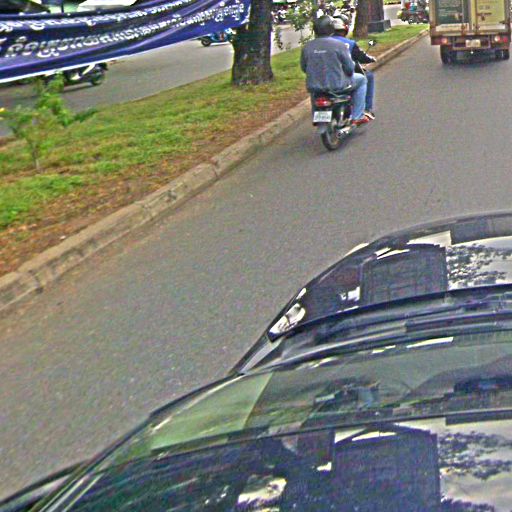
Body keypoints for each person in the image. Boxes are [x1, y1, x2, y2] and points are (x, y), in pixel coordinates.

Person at [300, 15, 370, 126]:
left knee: (315, 92)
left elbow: (304, 67)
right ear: (330, 29)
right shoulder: (339, 45)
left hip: (315, 85)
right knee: (362, 80)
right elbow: (349, 67)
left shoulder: (307, 47)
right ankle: (358, 116)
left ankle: (316, 116)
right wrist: (348, 73)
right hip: (337, 84)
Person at [332, 17, 377, 119]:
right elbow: (360, 57)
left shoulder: (323, 43)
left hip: (323, 80)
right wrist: (371, 59)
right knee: (366, 77)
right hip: (342, 78)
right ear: (345, 29)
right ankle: (365, 110)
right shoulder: (349, 43)